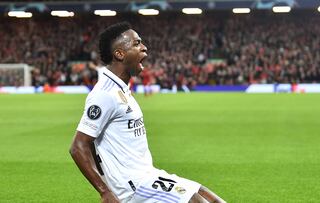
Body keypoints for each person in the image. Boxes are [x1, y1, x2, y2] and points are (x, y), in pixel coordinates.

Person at [69, 22, 226, 203]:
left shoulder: (122, 89)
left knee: (210, 198)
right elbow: (78, 146)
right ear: (119, 54)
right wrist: (105, 191)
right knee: (197, 201)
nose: (144, 48)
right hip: (134, 185)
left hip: (148, 175)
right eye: (136, 44)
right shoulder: (105, 94)